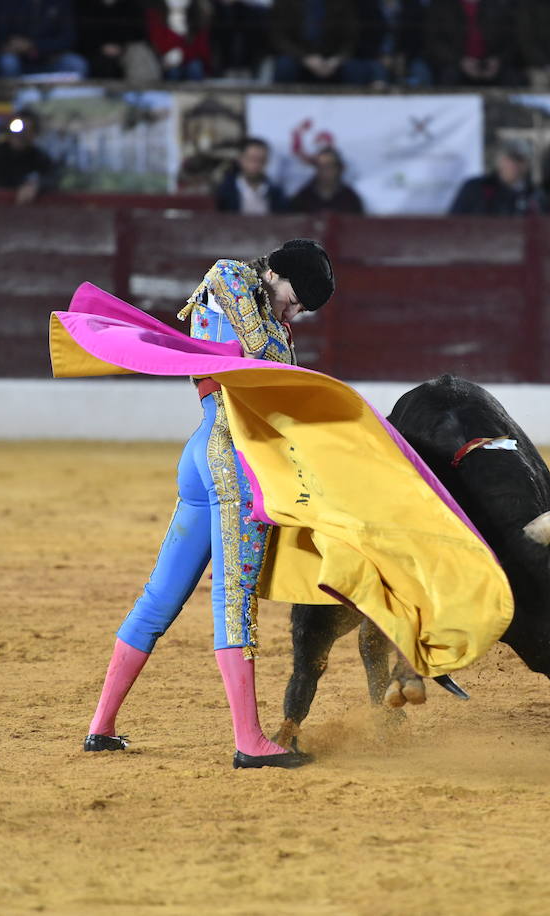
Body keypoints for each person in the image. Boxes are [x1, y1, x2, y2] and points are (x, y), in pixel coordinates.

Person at [82, 239, 337, 769]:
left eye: (302, 309)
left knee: (161, 597)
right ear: (276, 272)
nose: (295, 312)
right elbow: (263, 359)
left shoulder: (261, 310)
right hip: (233, 460)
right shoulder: (231, 278)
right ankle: (248, 740)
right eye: (295, 298)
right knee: (234, 598)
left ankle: (102, 727)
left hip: (205, 451)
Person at [423, 0, 517, 86]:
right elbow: (433, 43)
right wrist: (460, 61)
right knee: (449, 76)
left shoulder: (498, 5)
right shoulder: (441, 5)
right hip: (455, 65)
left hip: (492, 66)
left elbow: (511, 41)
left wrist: (498, 60)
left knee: (512, 78)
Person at [449, 142, 550, 215]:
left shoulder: (535, 196)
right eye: (510, 159)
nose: (514, 165)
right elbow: (455, 222)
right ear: (499, 160)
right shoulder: (475, 188)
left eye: (520, 160)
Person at [0, 0, 91, 77]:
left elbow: (68, 39)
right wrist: (11, 44)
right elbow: (0, 33)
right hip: (20, 59)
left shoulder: (61, 3)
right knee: (8, 62)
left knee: (76, 64)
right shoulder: (9, 3)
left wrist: (33, 45)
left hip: (50, 59)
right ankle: (9, 100)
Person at [268, 0, 359, 82]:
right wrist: (304, 58)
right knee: (284, 67)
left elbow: (350, 38)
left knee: (355, 68)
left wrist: (337, 59)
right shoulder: (285, 2)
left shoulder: (342, 2)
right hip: (298, 57)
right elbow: (279, 37)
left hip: (332, 59)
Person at [76, 0, 163, 83]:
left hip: (127, 49)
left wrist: (121, 47)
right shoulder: (85, 4)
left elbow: (140, 34)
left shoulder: (133, 5)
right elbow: (81, 35)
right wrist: (101, 47)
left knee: (139, 53)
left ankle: (143, 93)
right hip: (93, 51)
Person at [214, 136, 288, 214]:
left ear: (267, 161)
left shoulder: (276, 193)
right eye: (251, 159)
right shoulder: (225, 191)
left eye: (261, 160)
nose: (255, 165)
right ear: (240, 159)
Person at [145, 0, 213, 80]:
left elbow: (201, 48)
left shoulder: (196, 14)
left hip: (191, 60)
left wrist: (183, 54)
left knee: (195, 67)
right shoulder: (156, 14)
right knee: (174, 71)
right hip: (165, 62)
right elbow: (158, 42)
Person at [290, 147, 366, 213]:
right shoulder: (303, 198)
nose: (325, 170)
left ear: (338, 169)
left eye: (330, 166)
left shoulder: (350, 198)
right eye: (321, 166)